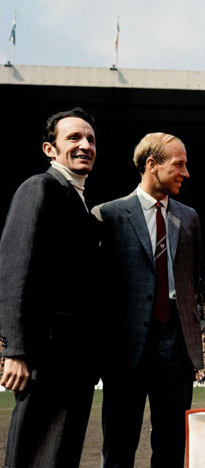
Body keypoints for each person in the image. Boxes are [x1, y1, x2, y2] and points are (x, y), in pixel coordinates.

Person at [92, 132, 202, 468]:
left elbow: (192, 276)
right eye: (179, 164)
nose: (186, 173)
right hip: (125, 344)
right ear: (152, 164)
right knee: (119, 444)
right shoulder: (108, 215)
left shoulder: (189, 217)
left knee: (172, 444)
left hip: (176, 342)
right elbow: (97, 288)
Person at [0, 108, 101, 467]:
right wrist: (16, 350)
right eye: (74, 137)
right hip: (46, 355)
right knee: (34, 454)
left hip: (75, 359)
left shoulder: (79, 202)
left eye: (90, 139)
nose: (85, 145)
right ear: (49, 149)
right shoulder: (39, 188)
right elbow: (16, 269)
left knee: (60, 455)